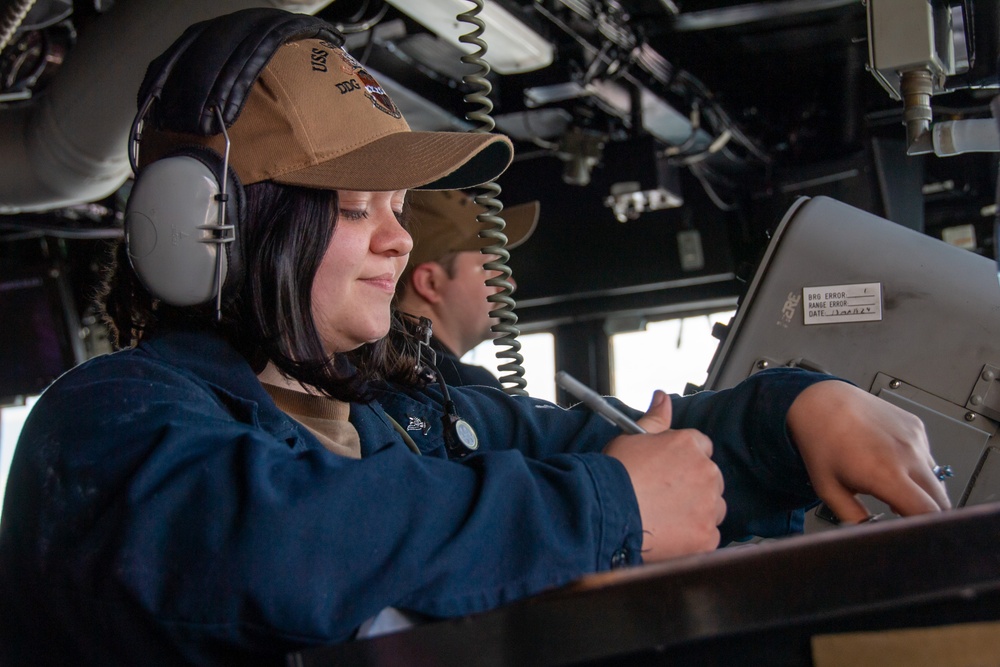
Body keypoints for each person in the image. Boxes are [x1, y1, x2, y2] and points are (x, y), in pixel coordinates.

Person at [0, 8, 951, 666]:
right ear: (211, 225)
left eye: (398, 204)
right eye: (353, 206)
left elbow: (592, 451)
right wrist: (605, 507)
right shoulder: (105, 424)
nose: (398, 236)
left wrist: (795, 416)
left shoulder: (406, 412)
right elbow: (283, 541)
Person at [395, 189, 539, 389]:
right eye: (488, 268)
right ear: (430, 282)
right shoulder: (463, 388)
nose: (509, 284)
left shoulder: (379, 363)